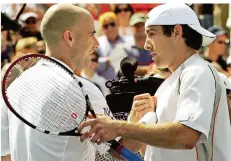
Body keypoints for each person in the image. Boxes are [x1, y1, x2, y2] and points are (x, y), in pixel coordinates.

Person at [79, 4, 231, 161]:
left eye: (151, 34)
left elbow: (187, 136)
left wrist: (119, 127)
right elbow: (134, 151)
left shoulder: (197, 71)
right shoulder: (171, 83)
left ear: (177, 32)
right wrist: (136, 122)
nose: (146, 44)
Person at [1, 4, 114, 161]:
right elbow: (117, 154)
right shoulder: (84, 90)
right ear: (70, 37)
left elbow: (5, 156)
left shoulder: (15, 87)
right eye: (91, 35)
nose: (97, 43)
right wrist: (145, 119)